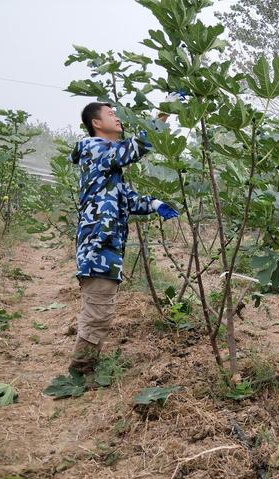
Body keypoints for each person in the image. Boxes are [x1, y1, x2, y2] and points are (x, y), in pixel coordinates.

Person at [67, 97, 181, 376]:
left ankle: (85, 365)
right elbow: (135, 148)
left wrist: (155, 204)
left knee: (99, 310)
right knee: (98, 313)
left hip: (107, 247)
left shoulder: (109, 169)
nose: (116, 117)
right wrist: (164, 113)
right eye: (110, 114)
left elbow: (128, 200)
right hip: (98, 246)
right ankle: (80, 371)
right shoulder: (95, 149)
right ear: (96, 123)